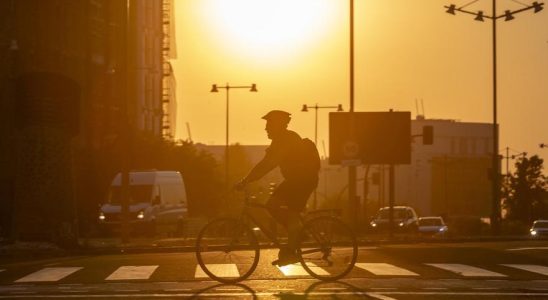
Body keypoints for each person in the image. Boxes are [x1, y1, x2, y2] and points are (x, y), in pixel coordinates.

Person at [235, 110, 319, 266]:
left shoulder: (286, 140)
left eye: (269, 124)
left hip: (303, 180)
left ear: (278, 125)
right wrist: (248, 179)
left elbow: (267, 164)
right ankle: (298, 235)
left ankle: (292, 249)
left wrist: (246, 180)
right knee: (271, 205)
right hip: (295, 180)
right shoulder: (281, 140)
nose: (266, 128)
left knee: (291, 214)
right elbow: (266, 162)